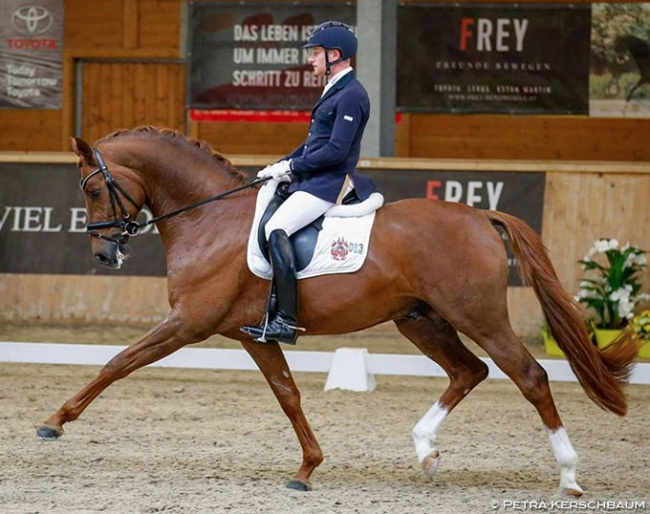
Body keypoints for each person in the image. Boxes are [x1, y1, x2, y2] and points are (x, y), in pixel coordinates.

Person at [241, 21, 377, 345]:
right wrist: (281, 165)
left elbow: (335, 151)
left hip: (328, 184)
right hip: (311, 179)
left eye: (316, 53)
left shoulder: (352, 94)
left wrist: (293, 165)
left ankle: (286, 320)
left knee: (277, 229)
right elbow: (314, 144)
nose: (312, 60)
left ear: (335, 55)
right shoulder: (333, 90)